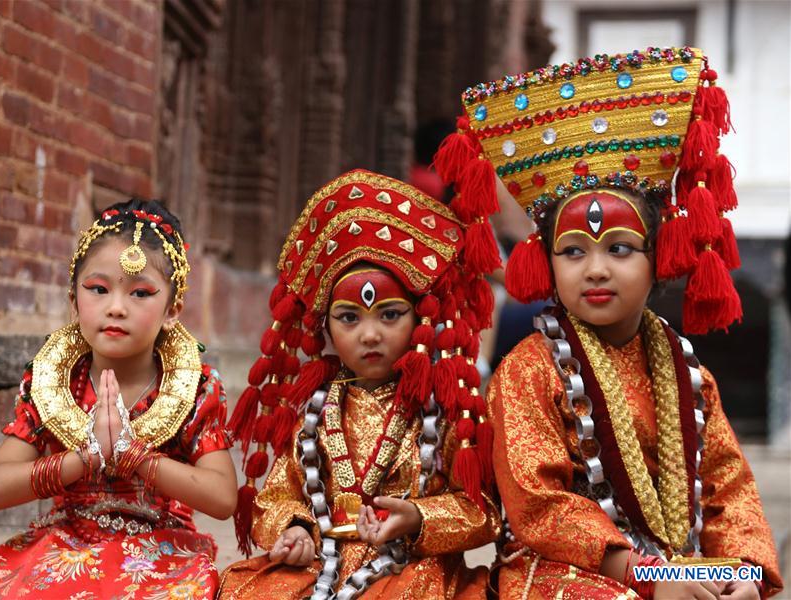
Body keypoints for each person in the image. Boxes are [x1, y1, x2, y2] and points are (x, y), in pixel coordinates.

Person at [436, 46, 785, 598]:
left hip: (675, 567)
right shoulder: (529, 370)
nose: (596, 270)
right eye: (573, 252)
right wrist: (649, 576)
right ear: (545, 261)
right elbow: (539, 506)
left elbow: (729, 487)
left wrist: (739, 570)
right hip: (565, 573)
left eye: (620, 249)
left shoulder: (688, 371)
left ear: (659, 257)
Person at [0, 199, 237, 599]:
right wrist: (83, 459)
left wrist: (135, 458)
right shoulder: (52, 383)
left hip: (161, 546)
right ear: (74, 300)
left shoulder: (194, 387)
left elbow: (223, 498)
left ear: (172, 310)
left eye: (141, 293)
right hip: (65, 539)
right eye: (98, 289)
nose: (116, 307)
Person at [219, 169, 502, 598]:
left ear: (420, 319)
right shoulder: (316, 411)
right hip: (322, 560)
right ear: (326, 328)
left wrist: (417, 518)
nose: (370, 335)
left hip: (408, 566)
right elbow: (277, 497)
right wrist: (296, 529)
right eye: (349, 318)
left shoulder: (443, 412)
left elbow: (483, 513)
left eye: (390, 314)